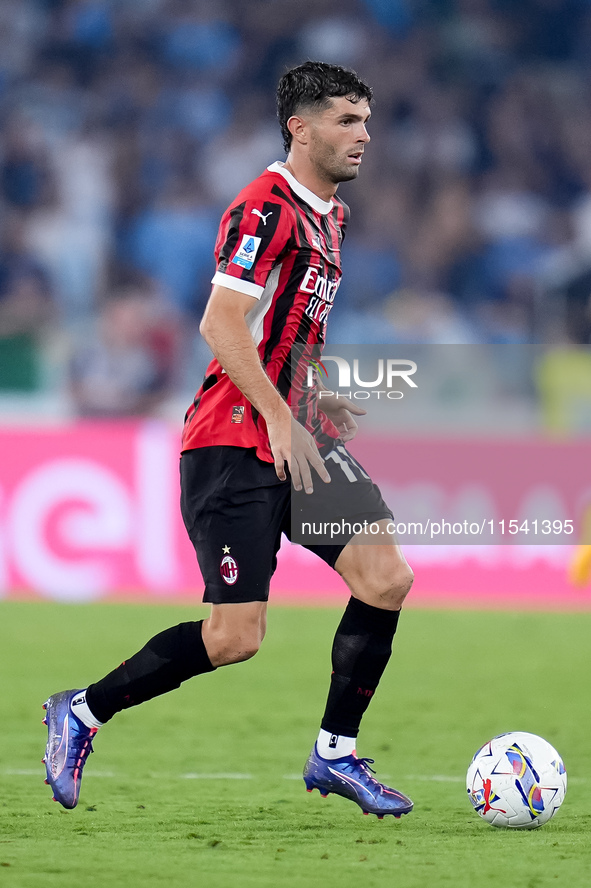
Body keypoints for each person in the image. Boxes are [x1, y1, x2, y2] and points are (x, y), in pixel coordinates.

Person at [42, 61, 414, 819]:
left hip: (295, 429)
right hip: (231, 442)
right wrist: (278, 412)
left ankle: (334, 756)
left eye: (366, 121)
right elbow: (219, 323)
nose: (363, 136)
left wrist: (310, 398)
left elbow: (284, 330)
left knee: (385, 577)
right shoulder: (262, 207)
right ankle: (81, 711)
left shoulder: (332, 215)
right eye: (347, 120)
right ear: (299, 128)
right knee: (235, 636)